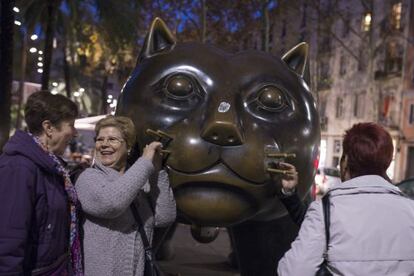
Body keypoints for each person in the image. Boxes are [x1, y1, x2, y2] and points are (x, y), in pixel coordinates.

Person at [278, 122, 414, 275]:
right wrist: (290, 194)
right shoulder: (411, 211)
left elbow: (293, 271)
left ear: (346, 161)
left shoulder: (328, 210)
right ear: (387, 163)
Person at [75, 115, 176, 276]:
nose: (104, 144)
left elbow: (165, 217)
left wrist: (157, 172)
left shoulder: (140, 179)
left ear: (128, 146)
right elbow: (112, 203)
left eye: (112, 139)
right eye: (100, 139)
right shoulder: (87, 178)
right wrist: (145, 162)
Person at [0, 91, 82, 275]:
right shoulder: (19, 167)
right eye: (71, 125)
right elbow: (8, 239)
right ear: (49, 128)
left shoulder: (51, 167)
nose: (75, 133)